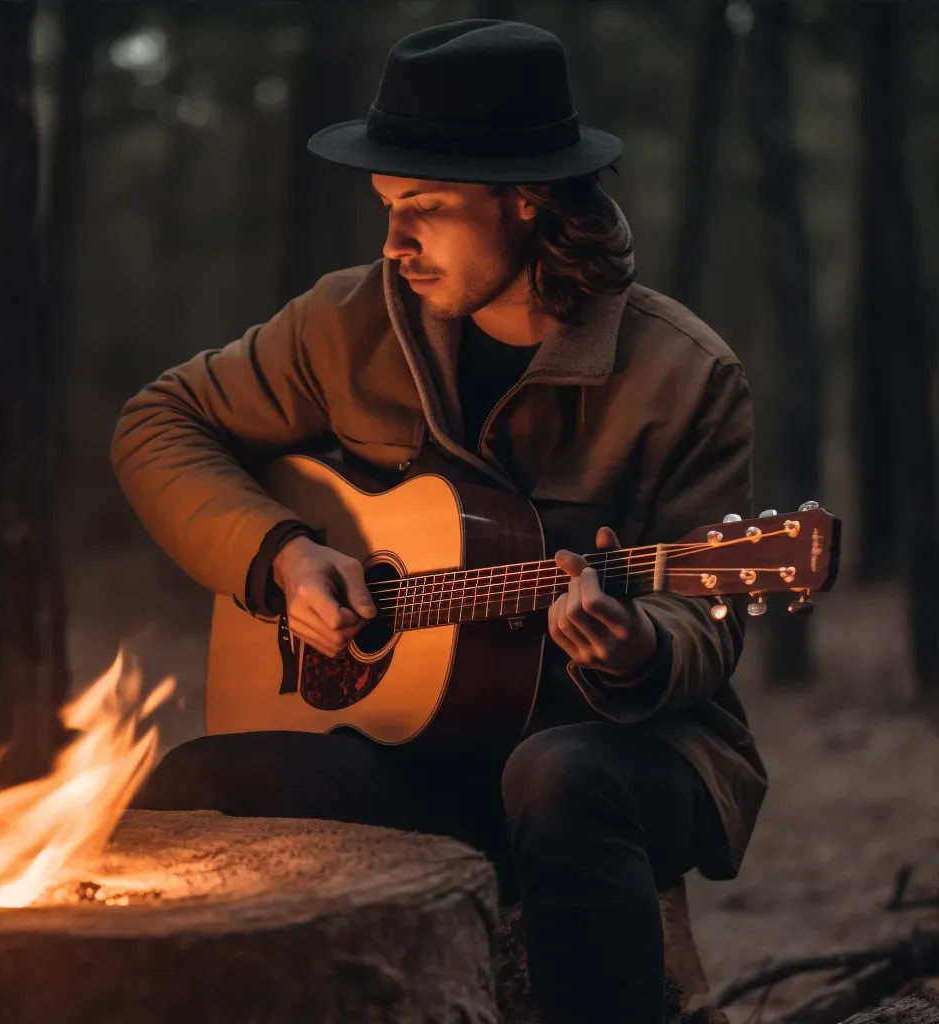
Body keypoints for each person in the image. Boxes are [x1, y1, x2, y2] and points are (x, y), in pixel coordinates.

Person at [112, 19, 767, 1024]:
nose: (392, 241)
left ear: (527, 200)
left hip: (621, 753)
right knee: (200, 781)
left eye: (423, 209)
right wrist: (280, 554)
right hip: (420, 750)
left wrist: (634, 645)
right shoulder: (345, 323)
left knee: (557, 774)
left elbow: (704, 622)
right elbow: (159, 424)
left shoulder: (684, 374)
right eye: (386, 207)